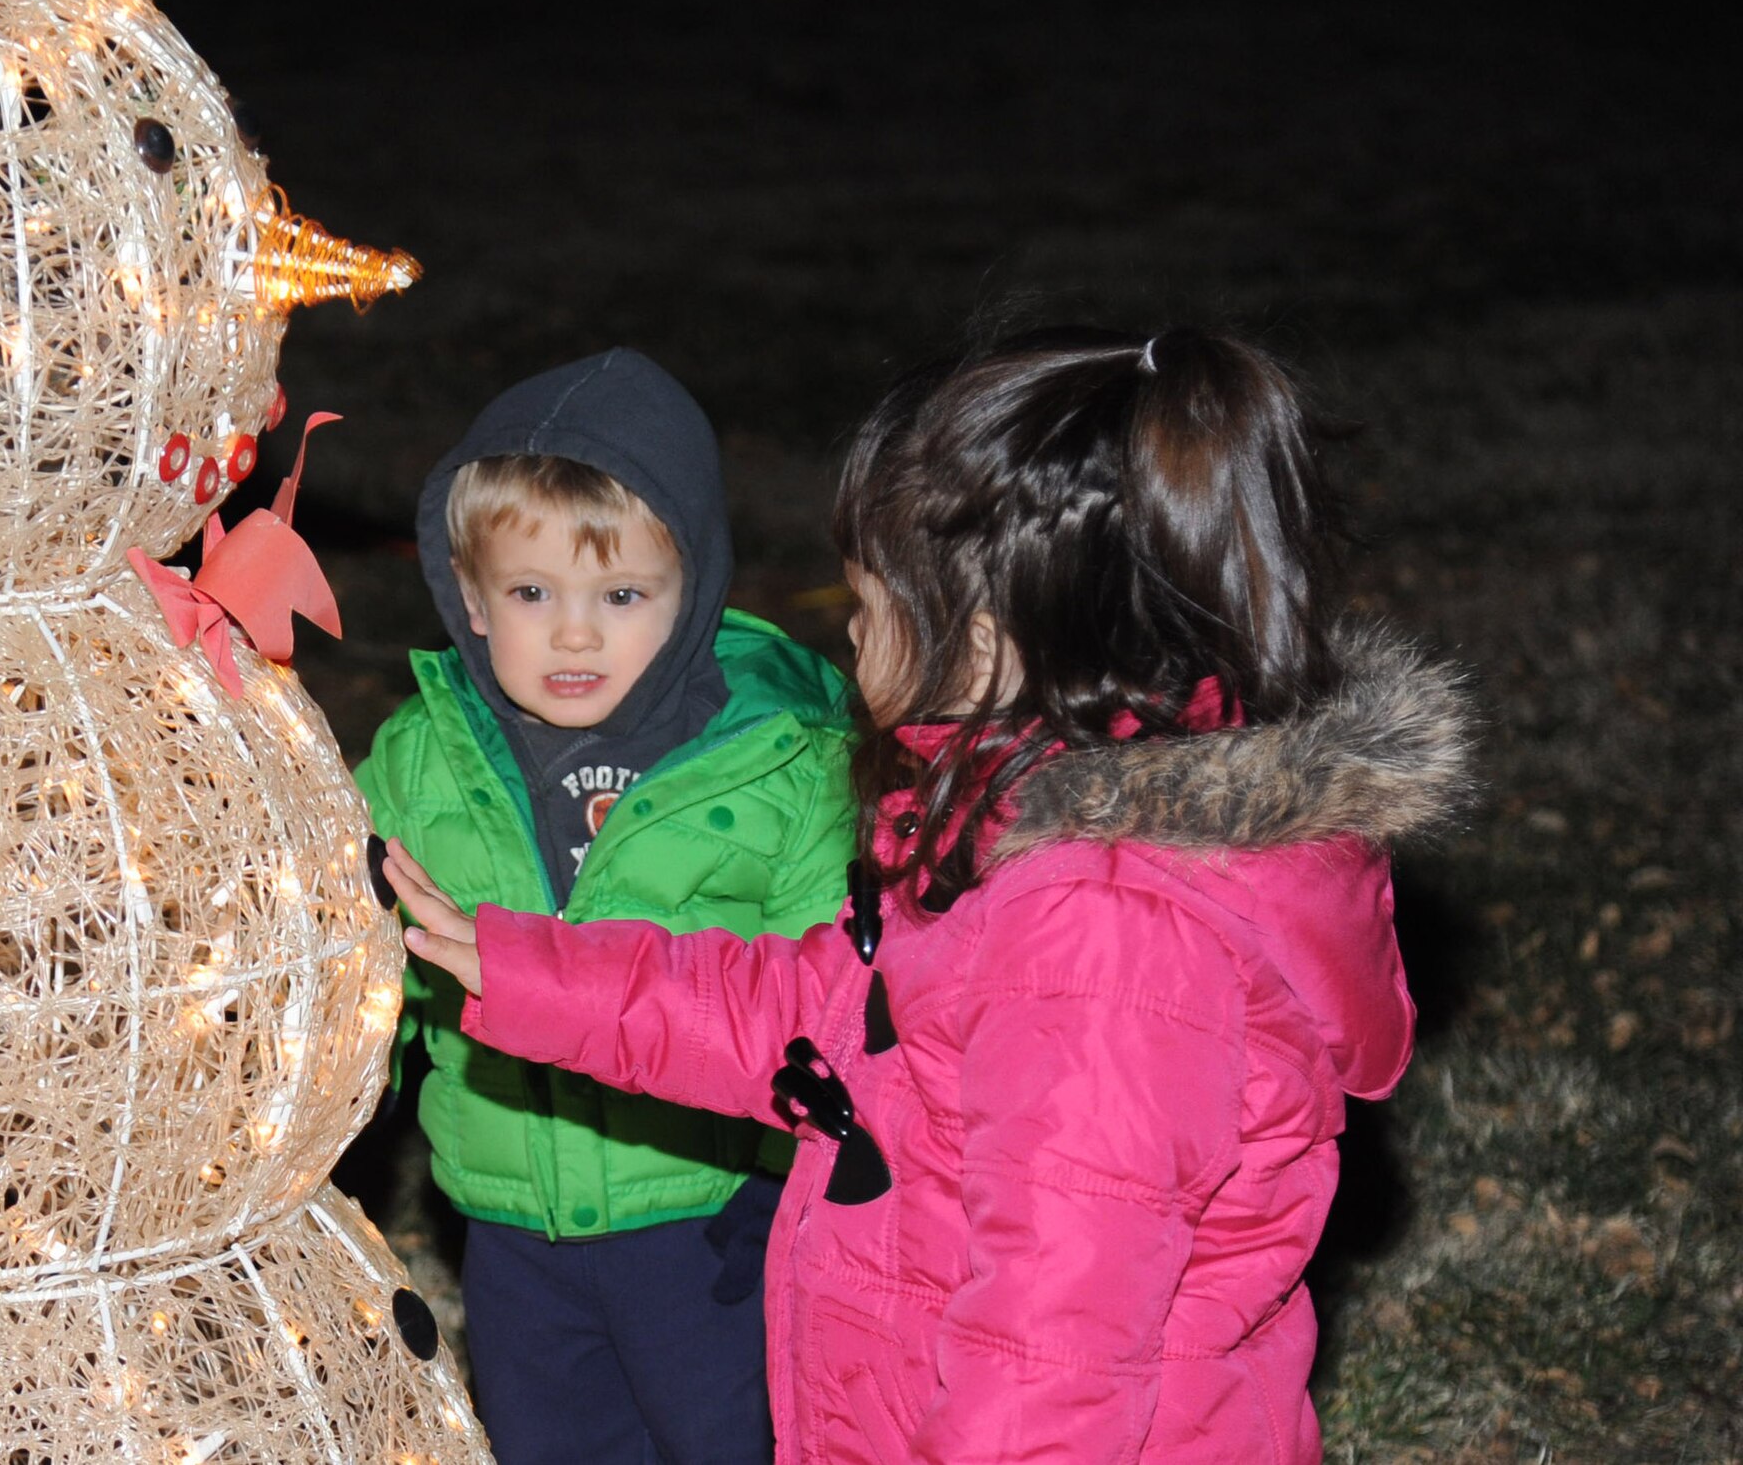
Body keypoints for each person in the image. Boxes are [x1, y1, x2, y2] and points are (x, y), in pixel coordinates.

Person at [382, 327, 1476, 1462]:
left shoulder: (1101, 938)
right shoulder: (1011, 838)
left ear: (986, 646)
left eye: (867, 606)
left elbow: (1048, 1361)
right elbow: (818, 1017)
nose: (846, 633)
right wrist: (526, 967)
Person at [356, 347, 856, 1464]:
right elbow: (358, 959)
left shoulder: (778, 765)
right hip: (509, 1217)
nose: (573, 635)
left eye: (621, 596)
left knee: (734, 1439)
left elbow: (827, 995)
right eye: (531, 594)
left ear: (692, 594)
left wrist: (797, 1181)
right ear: (470, 599)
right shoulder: (424, 759)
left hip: (705, 1209)